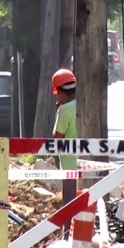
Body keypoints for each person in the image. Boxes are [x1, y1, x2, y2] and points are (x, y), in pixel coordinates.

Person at [51, 68, 78, 212]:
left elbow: (57, 137)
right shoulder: (84, 105)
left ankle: (68, 232)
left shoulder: (64, 110)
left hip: (69, 166)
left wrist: (58, 113)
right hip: (88, 164)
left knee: (69, 203)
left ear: (60, 92)